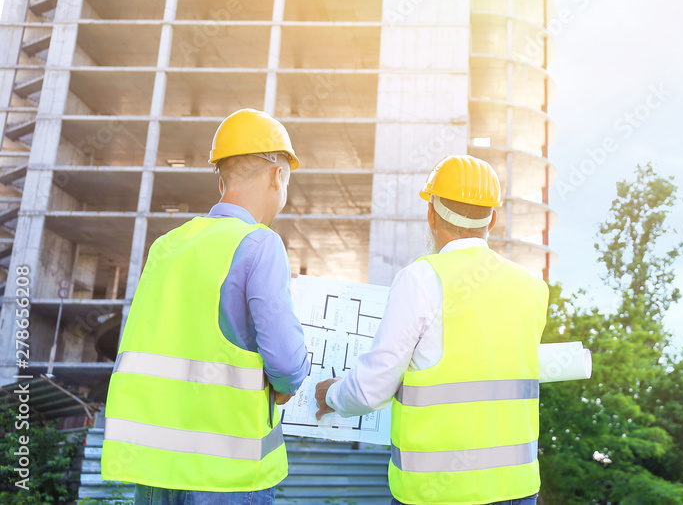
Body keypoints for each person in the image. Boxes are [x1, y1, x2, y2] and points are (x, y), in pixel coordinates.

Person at [102, 108, 310, 504]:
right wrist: (287, 383)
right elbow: (286, 366)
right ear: (277, 175)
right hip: (224, 475)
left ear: (221, 180)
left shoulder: (166, 246)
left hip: (156, 469)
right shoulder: (260, 244)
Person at [314, 154, 549, 505]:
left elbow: (370, 391)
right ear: (492, 219)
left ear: (431, 214)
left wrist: (331, 395)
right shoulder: (532, 287)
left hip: (440, 493)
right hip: (518, 489)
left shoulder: (421, 280)